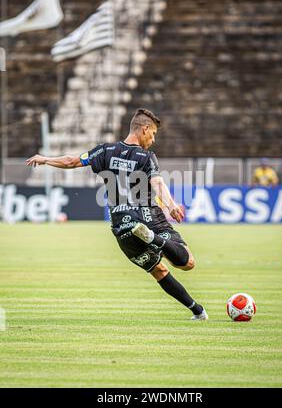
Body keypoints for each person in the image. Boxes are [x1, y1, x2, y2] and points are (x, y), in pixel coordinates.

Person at [26, 108, 208, 320]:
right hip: (149, 217)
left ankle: (198, 311)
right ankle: (154, 238)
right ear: (145, 129)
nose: (153, 139)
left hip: (121, 225)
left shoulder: (104, 151)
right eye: (154, 134)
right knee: (187, 262)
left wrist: (45, 159)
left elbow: (71, 162)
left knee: (159, 271)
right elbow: (157, 183)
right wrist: (171, 205)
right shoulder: (146, 157)